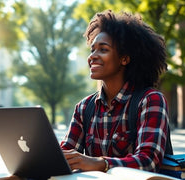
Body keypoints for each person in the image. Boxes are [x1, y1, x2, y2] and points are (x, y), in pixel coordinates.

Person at [60, 10, 169, 173]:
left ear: (124, 58)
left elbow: (148, 161)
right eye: (92, 50)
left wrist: (99, 163)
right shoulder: (83, 108)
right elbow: (65, 155)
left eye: (103, 50)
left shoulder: (150, 100)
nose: (92, 57)